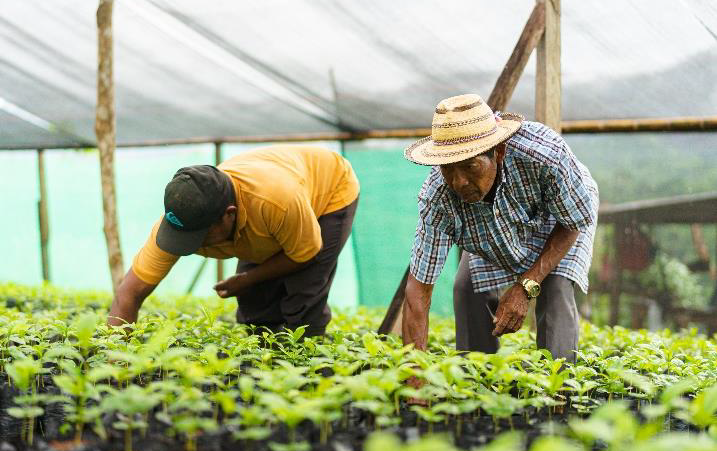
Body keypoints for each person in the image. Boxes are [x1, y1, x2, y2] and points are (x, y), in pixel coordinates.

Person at [402, 94, 598, 363]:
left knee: (555, 289)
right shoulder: (437, 197)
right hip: (491, 228)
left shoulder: (544, 155)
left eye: (470, 167)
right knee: (467, 289)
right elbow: (418, 290)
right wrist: (415, 375)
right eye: (448, 169)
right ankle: (477, 386)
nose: (459, 183)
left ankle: (558, 397)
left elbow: (573, 222)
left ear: (500, 151)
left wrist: (525, 286)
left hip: (558, 218)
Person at [108, 145, 359, 337]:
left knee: (303, 300)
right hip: (271, 210)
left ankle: (311, 384)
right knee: (255, 305)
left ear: (229, 215)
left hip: (328, 192)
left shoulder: (276, 201)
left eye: (200, 236)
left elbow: (304, 255)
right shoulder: (183, 217)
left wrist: (247, 278)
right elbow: (129, 294)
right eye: (182, 237)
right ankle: (268, 373)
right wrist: (114, 364)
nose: (195, 246)